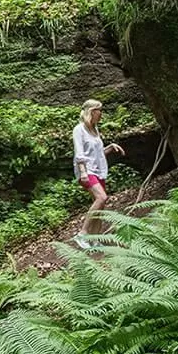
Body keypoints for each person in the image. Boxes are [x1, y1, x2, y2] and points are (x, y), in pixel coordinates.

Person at [72, 99, 123, 248]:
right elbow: (79, 153)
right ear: (91, 112)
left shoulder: (94, 130)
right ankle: (82, 234)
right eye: (99, 110)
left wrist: (111, 147)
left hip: (99, 171)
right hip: (86, 171)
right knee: (102, 197)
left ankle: (94, 239)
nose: (101, 114)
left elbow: (97, 153)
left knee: (101, 204)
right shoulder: (79, 129)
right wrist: (83, 173)